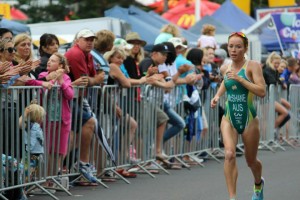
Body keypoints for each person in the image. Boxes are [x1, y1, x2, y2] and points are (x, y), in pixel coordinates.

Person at [211, 32, 266, 200]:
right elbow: (225, 83)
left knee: (251, 161)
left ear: (245, 48)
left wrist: (241, 80)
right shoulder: (224, 67)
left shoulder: (253, 66)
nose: (234, 50)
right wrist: (218, 96)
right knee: (229, 154)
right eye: (231, 46)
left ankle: (258, 184)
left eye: (238, 47)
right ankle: (232, 197)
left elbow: (262, 91)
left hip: (248, 117)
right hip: (229, 117)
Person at [65, 29, 105, 183]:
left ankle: (61, 169)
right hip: (69, 98)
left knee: (74, 136)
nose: (90, 42)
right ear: (78, 40)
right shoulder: (76, 53)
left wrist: (94, 79)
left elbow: (91, 78)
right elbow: (86, 80)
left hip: (76, 99)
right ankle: (82, 164)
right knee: (89, 124)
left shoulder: (87, 54)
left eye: (92, 39)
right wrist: (97, 79)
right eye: (86, 39)